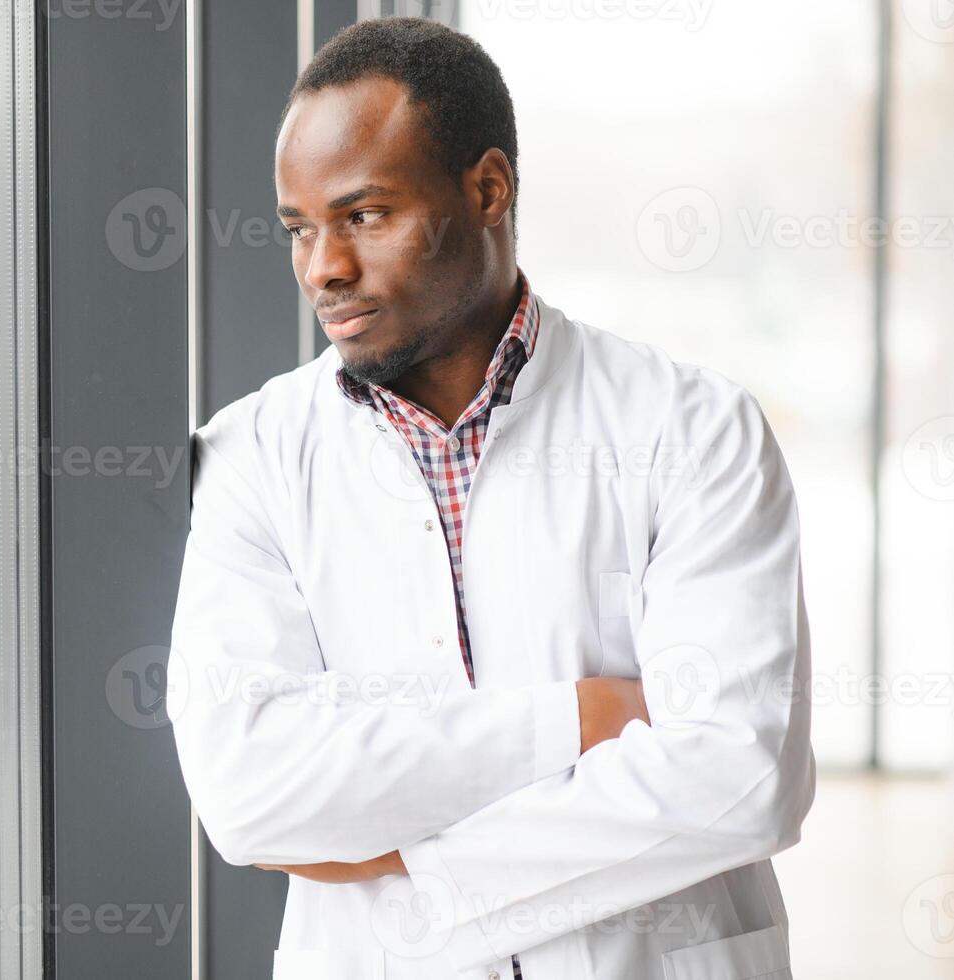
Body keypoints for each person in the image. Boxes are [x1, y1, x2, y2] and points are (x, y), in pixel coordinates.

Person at [167, 16, 815, 980]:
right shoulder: (251, 456)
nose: (322, 268)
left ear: (488, 189)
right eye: (300, 229)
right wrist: (586, 721)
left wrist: (411, 870)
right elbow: (249, 791)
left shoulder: (692, 430)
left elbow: (741, 774)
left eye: (364, 215)